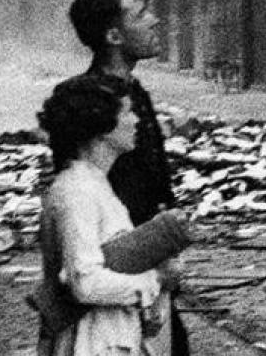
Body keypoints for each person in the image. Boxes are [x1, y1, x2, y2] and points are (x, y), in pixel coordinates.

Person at [67, 0, 189, 354]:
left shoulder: (134, 94)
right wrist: (150, 268)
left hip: (147, 271)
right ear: (114, 37)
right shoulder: (85, 104)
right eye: (140, 14)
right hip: (115, 284)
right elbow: (81, 203)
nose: (154, 20)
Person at [36, 74, 176, 355]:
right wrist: (154, 281)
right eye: (127, 112)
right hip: (88, 344)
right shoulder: (77, 190)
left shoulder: (95, 184)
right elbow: (85, 284)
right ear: (101, 126)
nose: (136, 121)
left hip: (108, 340)